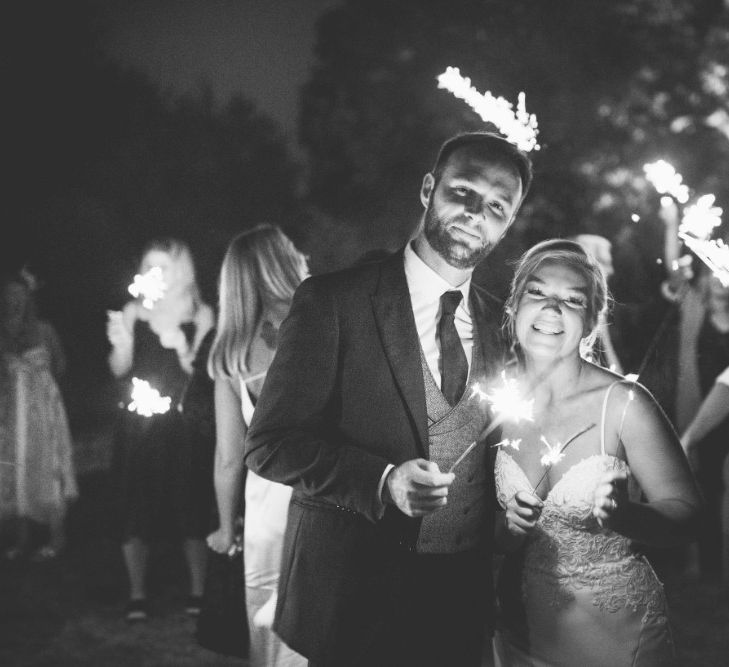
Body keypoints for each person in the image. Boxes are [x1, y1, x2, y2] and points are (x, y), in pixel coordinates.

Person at [245, 131, 533, 666]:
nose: (476, 213)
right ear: (429, 188)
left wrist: (508, 501)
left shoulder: (500, 323)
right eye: (463, 192)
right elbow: (269, 444)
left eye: (497, 206)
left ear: (509, 221)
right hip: (356, 599)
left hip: (461, 605)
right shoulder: (335, 301)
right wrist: (382, 480)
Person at [492, 239, 702, 666]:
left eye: (572, 300)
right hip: (521, 630)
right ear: (514, 305)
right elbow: (478, 527)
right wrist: (507, 527)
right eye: (537, 292)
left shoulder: (623, 403)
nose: (552, 309)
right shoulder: (497, 400)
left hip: (616, 635)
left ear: (591, 321)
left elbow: (689, 515)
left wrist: (628, 517)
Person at [206, 225, 308, 666]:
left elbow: (229, 458)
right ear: (281, 262)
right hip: (326, 495)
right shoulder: (322, 319)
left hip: (267, 510)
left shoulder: (231, 352)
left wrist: (227, 528)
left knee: (271, 623)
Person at [106, 238, 214, 622]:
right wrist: (119, 344)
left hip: (183, 424)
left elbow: (203, 376)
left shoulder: (200, 314)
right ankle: (137, 593)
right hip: (140, 424)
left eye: (162, 266)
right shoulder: (134, 311)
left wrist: (182, 346)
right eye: (149, 265)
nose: (154, 273)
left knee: (190, 502)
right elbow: (120, 369)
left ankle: (198, 590)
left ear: (180, 270)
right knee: (136, 502)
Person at [0, 269, 78, 561]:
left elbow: (61, 365)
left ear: (28, 299)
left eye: (20, 296)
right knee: (18, 469)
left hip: (43, 408)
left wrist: (40, 381)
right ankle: (23, 539)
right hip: (13, 411)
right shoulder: (2, 333)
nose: (14, 302)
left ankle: (58, 537)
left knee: (47, 466)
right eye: (9, 297)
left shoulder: (44, 330)